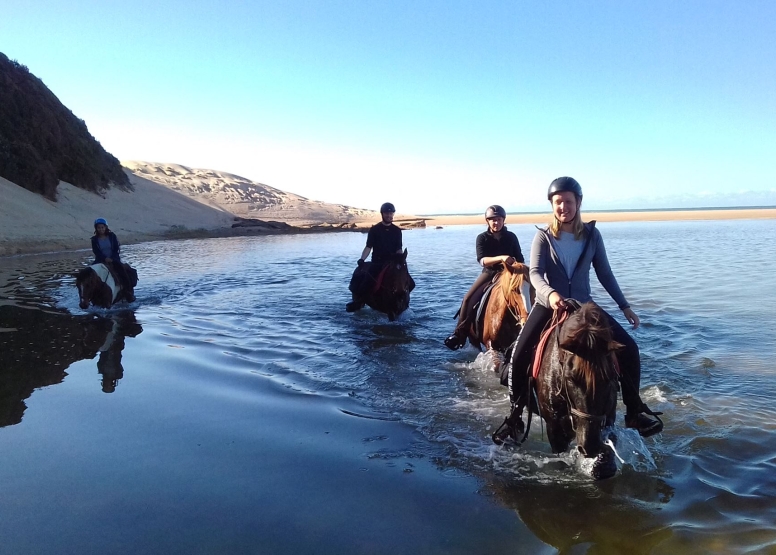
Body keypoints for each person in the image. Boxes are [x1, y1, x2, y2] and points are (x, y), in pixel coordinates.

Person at [502, 177, 663, 437]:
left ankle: (634, 411)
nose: (563, 207)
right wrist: (551, 294)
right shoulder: (543, 236)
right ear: (552, 205)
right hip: (549, 306)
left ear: (578, 203)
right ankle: (514, 414)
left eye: (568, 201)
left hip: (584, 307)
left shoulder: (592, 235)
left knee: (630, 349)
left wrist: (625, 307)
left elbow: (605, 273)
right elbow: (534, 273)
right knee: (518, 355)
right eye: (558, 202)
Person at [444, 205, 524, 350]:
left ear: (503, 220)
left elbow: (520, 257)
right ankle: (459, 333)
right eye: (492, 220)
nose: (496, 223)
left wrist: (519, 268)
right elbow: (482, 260)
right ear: (487, 221)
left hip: (511, 274)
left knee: (526, 296)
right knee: (468, 298)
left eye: (498, 219)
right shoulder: (482, 238)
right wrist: (501, 258)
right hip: (490, 273)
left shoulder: (511, 237)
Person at [346, 202, 404, 312]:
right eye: (387, 213)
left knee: (409, 282)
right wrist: (362, 259)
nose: (389, 215)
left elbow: (399, 248)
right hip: (378, 262)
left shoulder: (397, 231)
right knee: (366, 281)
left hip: (392, 263)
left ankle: (404, 302)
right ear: (382, 214)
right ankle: (359, 301)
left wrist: (401, 260)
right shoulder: (374, 230)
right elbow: (368, 247)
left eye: (391, 213)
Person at [91, 218, 135, 302]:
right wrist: (104, 258)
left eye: (102, 227)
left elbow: (116, 248)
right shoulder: (94, 239)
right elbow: (96, 251)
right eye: (99, 228)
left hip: (114, 258)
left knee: (122, 272)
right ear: (96, 228)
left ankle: (128, 291)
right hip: (100, 260)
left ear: (106, 227)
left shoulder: (112, 236)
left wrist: (112, 258)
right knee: (90, 273)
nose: (101, 229)